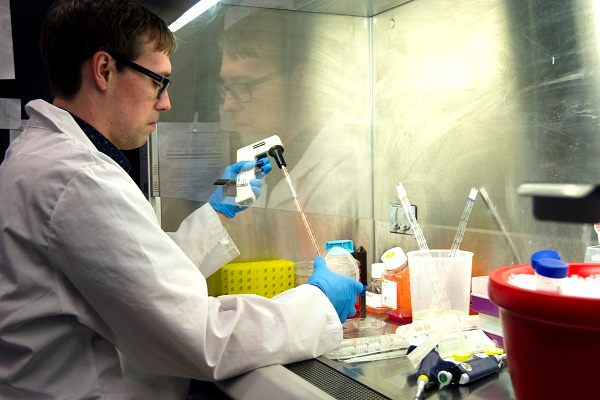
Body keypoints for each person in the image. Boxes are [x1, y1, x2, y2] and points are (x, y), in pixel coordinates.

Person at [0, 1, 363, 399]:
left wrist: (219, 210)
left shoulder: (43, 156)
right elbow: (201, 338)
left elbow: (137, 272)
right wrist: (317, 302)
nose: (166, 102)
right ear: (104, 70)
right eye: (158, 81)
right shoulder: (76, 178)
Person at [217, 8, 372, 219]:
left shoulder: (348, 169)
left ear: (299, 80)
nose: (228, 105)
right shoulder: (258, 163)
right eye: (227, 87)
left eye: (242, 86)